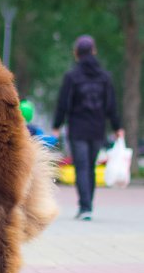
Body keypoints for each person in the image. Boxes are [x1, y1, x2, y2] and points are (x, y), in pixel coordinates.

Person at [52, 35, 123, 221]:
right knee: (90, 167)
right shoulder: (105, 77)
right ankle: (88, 206)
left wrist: (57, 126)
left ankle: (85, 208)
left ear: (77, 53)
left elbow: (63, 104)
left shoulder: (72, 76)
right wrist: (117, 127)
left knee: (82, 167)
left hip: (78, 128)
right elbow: (111, 105)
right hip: (97, 128)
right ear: (94, 51)